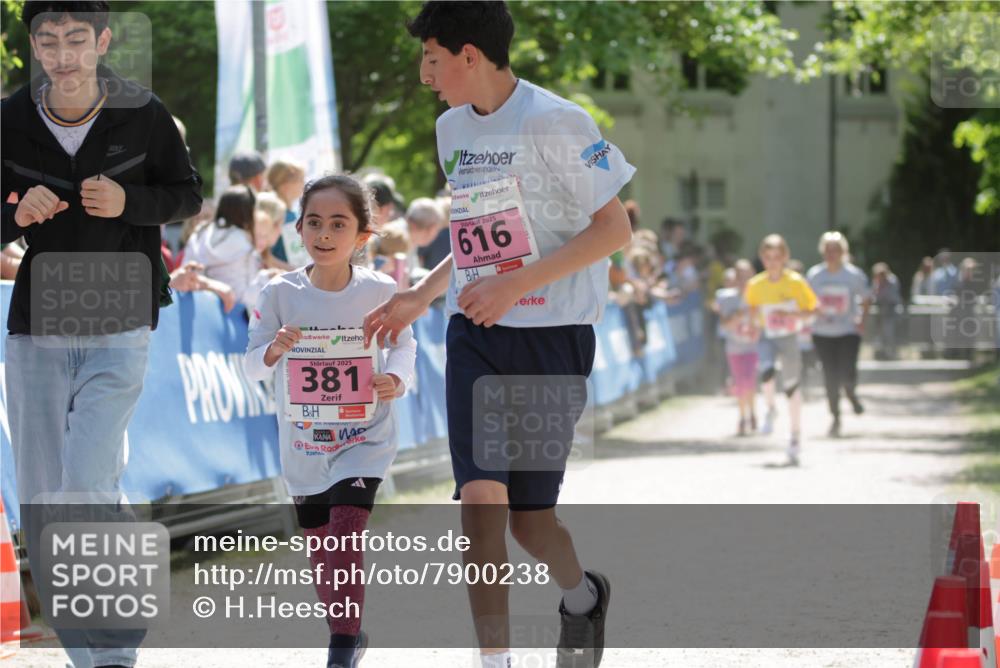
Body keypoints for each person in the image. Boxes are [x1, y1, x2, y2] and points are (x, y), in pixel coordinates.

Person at [364, 3, 635, 666]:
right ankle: (497, 661)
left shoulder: (558, 121)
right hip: (476, 335)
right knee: (481, 505)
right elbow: (479, 234)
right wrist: (423, 295)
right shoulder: (451, 127)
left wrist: (518, 284)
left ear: (468, 56)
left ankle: (581, 597)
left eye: (431, 58)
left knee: (530, 523)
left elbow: (614, 231)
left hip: (554, 335)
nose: (425, 73)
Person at [2, 2, 203, 666]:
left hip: (119, 319)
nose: (62, 53)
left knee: (86, 485)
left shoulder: (142, 112)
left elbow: (186, 194)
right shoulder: (8, 119)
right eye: (48, 40)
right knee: (44, 500)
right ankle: (90, 659)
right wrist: (13, 218)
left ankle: (116, 637)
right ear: (33, 45)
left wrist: (131, 203)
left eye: (76, 39)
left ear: (104, 41)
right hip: (39, 325)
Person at [244, 174, 416, 668]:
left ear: (362, 236)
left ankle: (340, 650)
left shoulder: (382, 289)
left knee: (345, 530)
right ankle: (349, 630)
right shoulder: (279, 292)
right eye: (314, 222)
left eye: (338, 224)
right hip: (304, 443)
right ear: (298, 228)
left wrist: (396, 380)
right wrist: (274, 350)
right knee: (322, 548)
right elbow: (251, 363)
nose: (324, 233)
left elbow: (404, 344)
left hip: (366, 435)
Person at [744, 234, 818, 465]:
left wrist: (791, 315)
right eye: (768, 257)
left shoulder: (796, 282)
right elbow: (753, 311)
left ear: (785, 257)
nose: (773, 262)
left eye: (777, 257)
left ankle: (795, 436)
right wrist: (752, 326)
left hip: (789, 337)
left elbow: (812, 311)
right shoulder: (756, 284)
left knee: (791, 387)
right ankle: (770, 409)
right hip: (767, 336)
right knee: (766, 371)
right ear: (762, 259)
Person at [806, 232, 871, 437]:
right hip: (822, 333)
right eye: (828, 250)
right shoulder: (815, 275)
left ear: (843, 252)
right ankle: (835, 416)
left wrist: (862, 319)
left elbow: (866, 298)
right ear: (822, 252)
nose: (832, 254)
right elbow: (807, 301)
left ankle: (851, 393)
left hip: (848, 331)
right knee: (830, 375)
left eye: (836, 250)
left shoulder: (853, 275)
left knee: (847, 371)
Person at [183, 185, 262, 308]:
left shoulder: (199, 233)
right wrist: (267, 277)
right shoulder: (244, 240)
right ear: (248, 211)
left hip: (199, 307)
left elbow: (185, 270)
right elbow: (249, 293)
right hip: (237, 311)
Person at [713, 260, 760, 435]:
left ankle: (753, 412)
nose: (743, 281)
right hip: (734, 348)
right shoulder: (727, 298)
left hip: (754, 347)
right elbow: (724, 324)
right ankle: (742, 417)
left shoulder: (758, 296)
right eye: (740, 277)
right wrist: (737, 315)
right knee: (740, 383)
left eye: (747, 276)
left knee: (750, 381)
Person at [872, 262, 901, 360]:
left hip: (891, 312)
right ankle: (882, 354)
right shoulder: (877, 282)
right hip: (881, 312)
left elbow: (889, 297)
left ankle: (893, 355)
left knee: (890, 334)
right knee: (881, 335)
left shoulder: (892, 281)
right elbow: (875, 296)